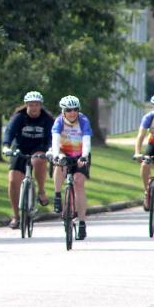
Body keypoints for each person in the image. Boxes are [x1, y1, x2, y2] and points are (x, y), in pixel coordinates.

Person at [2, 91, 55, 229]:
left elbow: (52, 136)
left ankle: (41, 191)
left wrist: (50, 149)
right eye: (31, 105)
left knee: (38, 160)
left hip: (39, 148)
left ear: (40, 105)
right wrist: (6, 146)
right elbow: (9, 132)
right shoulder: (19, 117)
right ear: (26, 105)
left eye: (36, 105)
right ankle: (16, 216)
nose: (34, 108)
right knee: (13, 180)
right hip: (20, 149)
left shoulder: (47, 119)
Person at [50, 95, 92, 240]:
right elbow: (55, 140)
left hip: (80, 154)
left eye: (75, 109)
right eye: (69, 110)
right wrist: (56, 155)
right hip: (63, 152)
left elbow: (86, 140)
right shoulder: (59, 121)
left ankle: (81, 223)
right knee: (59, 165)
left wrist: (84, 156)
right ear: (63, 111)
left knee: (79, 183)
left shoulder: (83, 120)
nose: (72, 113)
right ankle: (57, 195)